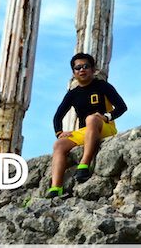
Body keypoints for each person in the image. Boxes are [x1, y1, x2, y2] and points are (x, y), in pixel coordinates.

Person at [46, 52, 127, 198]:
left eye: (85, 66)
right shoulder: (73, 93)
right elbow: (58, 116)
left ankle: (84, 164)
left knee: (91, 119)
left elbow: (122, 107)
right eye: (78, 68)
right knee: (59, 144)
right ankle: (56, 187)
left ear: (93, 69)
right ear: (74, 72)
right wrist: (59, 132)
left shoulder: (103, 86)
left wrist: (106, 116)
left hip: (104, 127)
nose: (82, 70)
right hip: (84, 131)